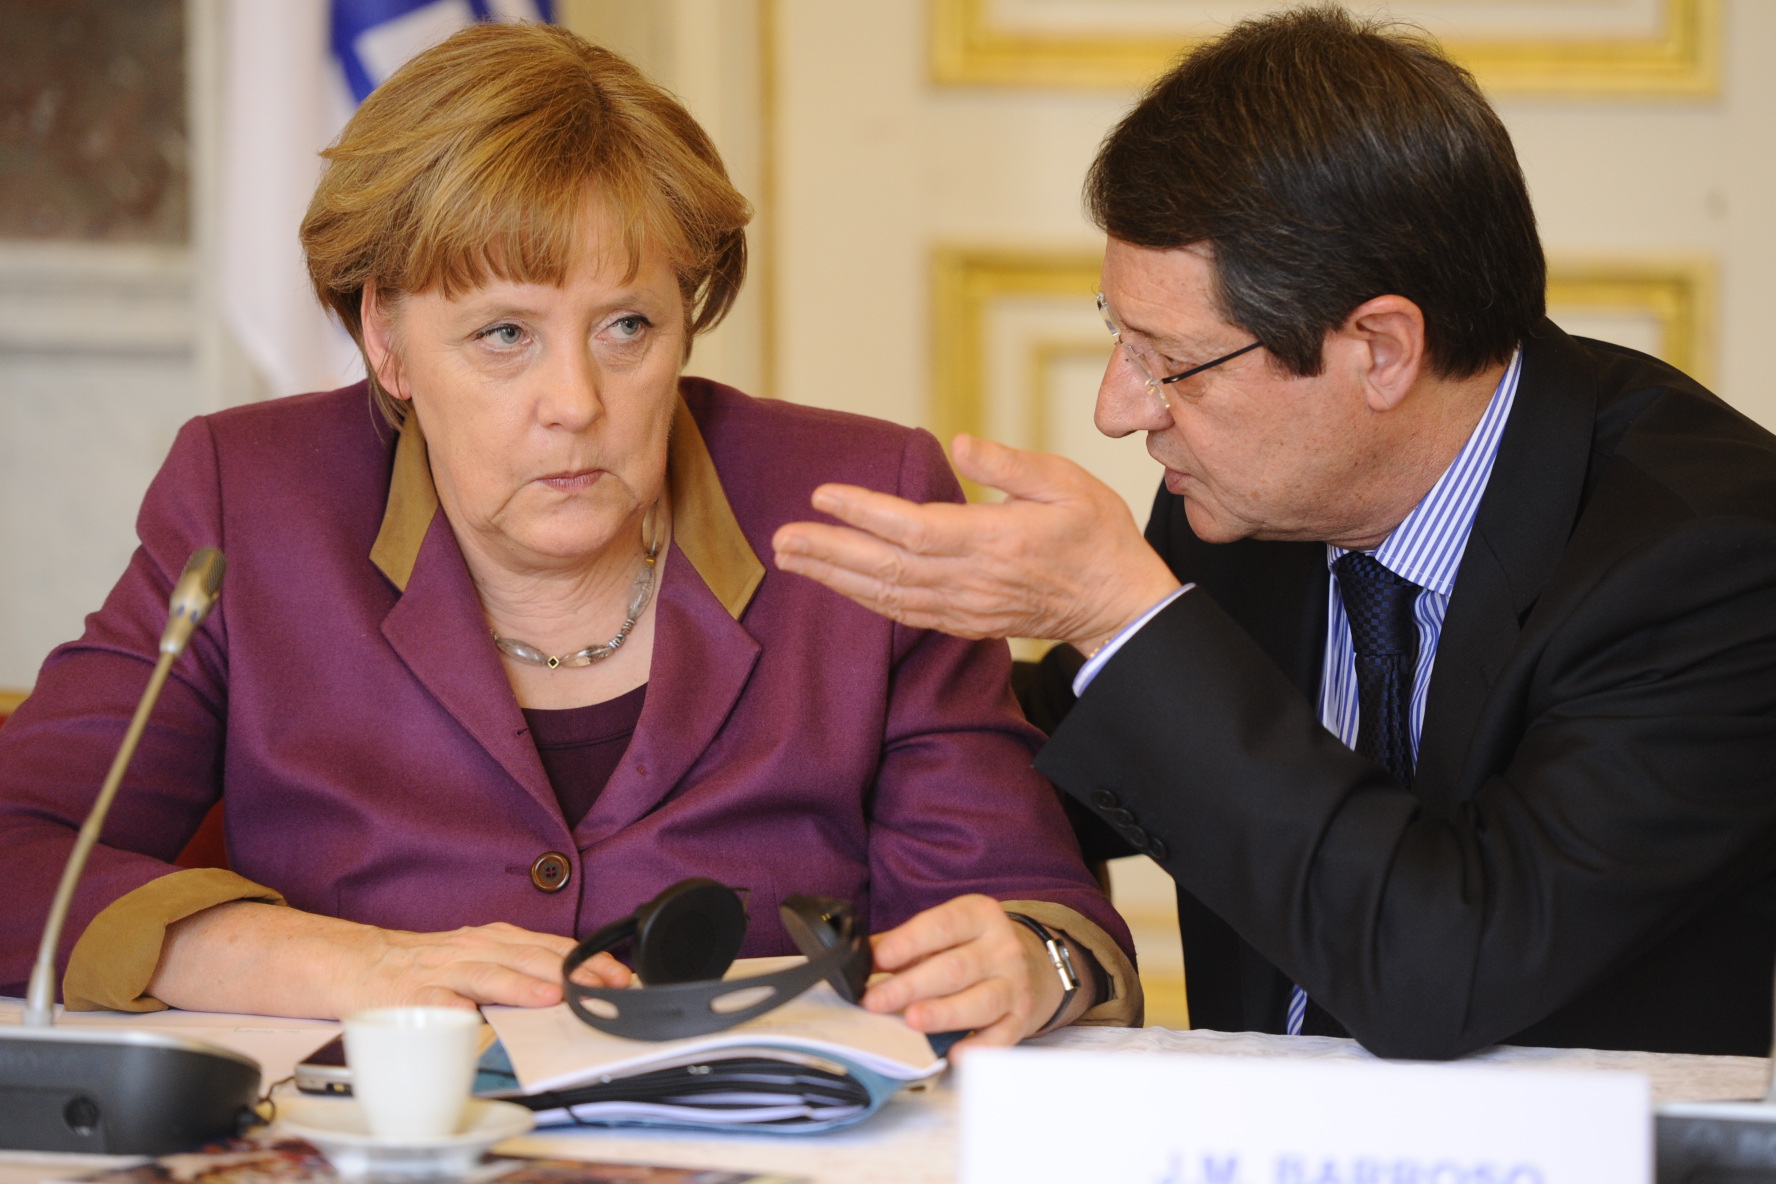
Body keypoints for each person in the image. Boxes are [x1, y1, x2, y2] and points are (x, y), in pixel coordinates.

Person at [0, 21, 1140, 1050]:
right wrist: (338, 962)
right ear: (386, 339)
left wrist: (1028, 962)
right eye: (504, 334)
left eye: (626, 326)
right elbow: (17, 847)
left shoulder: (856, 506)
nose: (576, 402)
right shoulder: (252, 501)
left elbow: (1037, 910)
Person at [773, 5, 1776, 1060]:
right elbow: (1043, 763)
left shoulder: (1709, 563)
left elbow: (1446, 963)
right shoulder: (1245, 500)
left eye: (1171, 361)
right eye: (1122, 337)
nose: (1119, 409)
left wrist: (1121, 617)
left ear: (1380, 350)